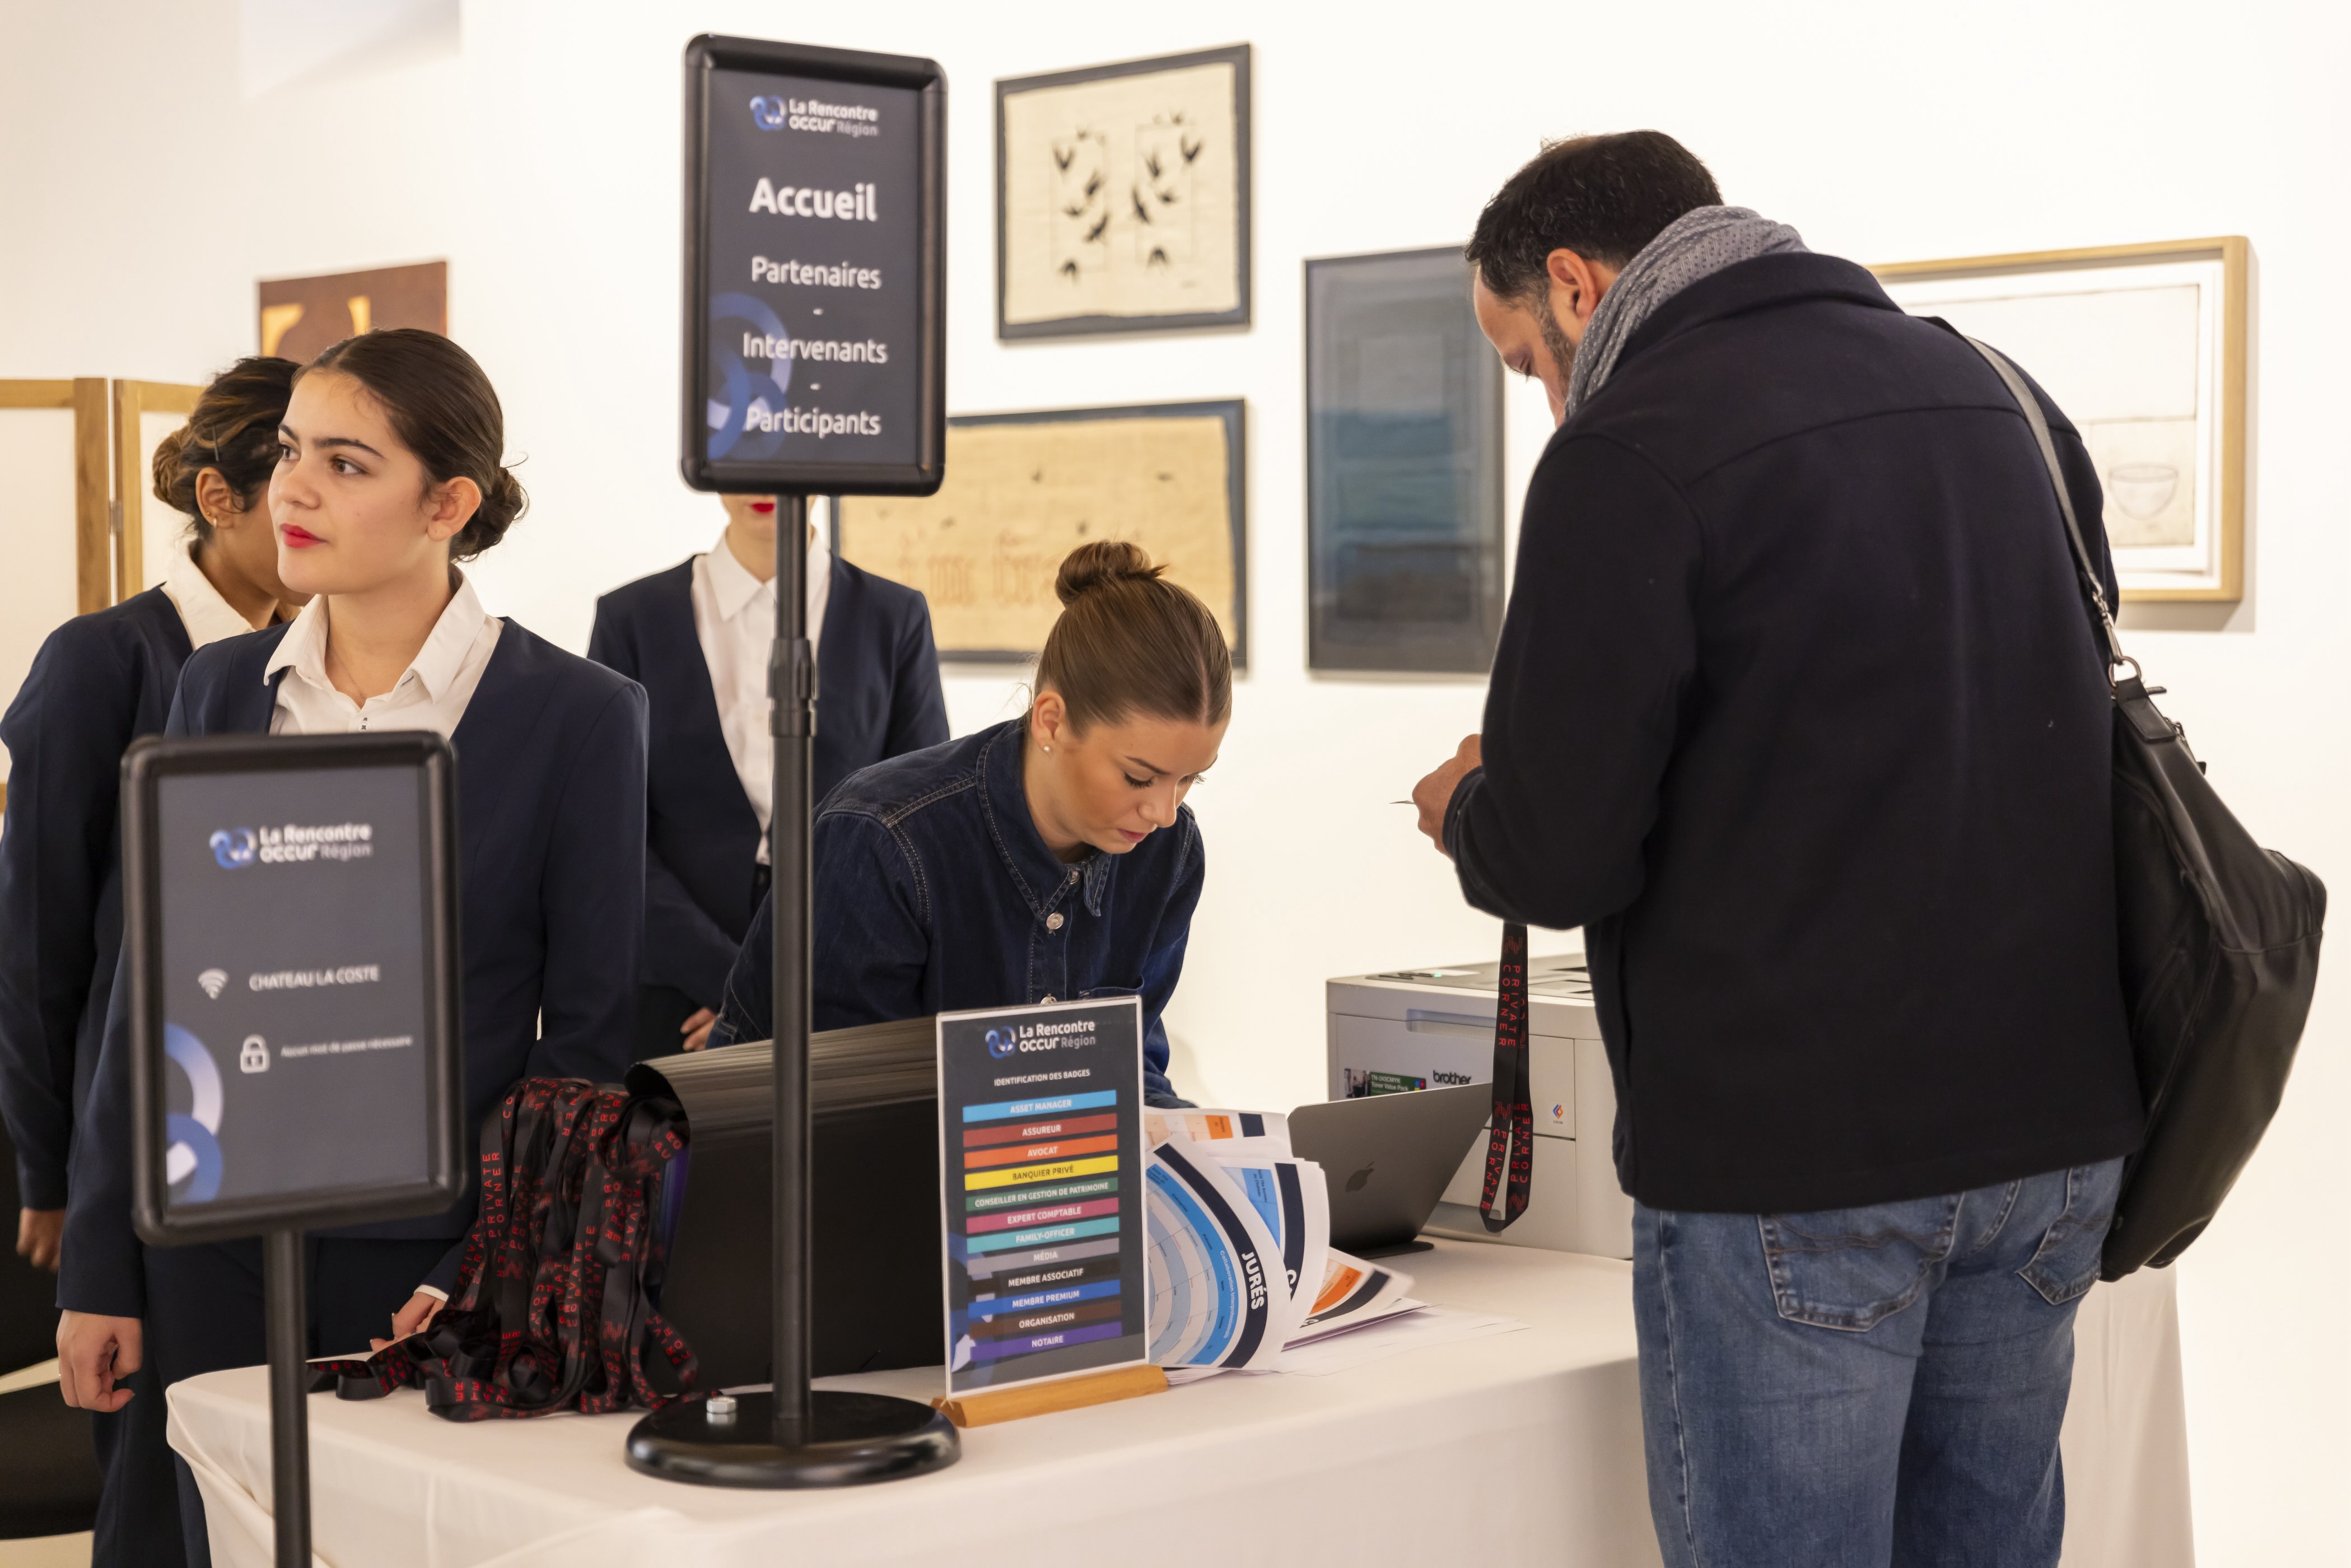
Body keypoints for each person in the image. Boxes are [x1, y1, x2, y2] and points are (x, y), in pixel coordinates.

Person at [1408, 132, 2141, 1568]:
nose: (1545, 397)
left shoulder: (1625, 447)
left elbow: (1555, 859)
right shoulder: (1998, 394)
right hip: (2051, 1143)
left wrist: (1467, 805)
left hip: (1800, 1157)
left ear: (1574, 283)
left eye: (1525, 360)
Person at [54, 329, 646, 1564]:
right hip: (207, 1247)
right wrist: (98, 1264)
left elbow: (587, 1043)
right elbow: (141, 995)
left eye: (345, 462)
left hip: (424, 1268)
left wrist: (484, 1261)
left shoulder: (581, 716)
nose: (295, 489)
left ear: (448, 504)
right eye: (288, 453)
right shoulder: (218, 689)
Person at [0, 356, 305, 1568]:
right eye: (294, 474)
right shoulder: (105, 659)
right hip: (140, 1136)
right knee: (162, 1498)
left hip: (289, 1129)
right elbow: (37, 944)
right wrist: (49, 1168)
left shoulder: (327, 659)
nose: (318, 506)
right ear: (219, 499)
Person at [711, 541, 1222, 1108]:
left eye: (1190, 779)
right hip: (808, 1146)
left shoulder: (1172, 852)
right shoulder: (884, 838)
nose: (1164, 812)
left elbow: (1128, 1068)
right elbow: (850, 1111)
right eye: (1138, 777)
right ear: (1052, 721)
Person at [587, 493, 946, 1057]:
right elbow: (608, 831)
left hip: (841, 985)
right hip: (673, 989)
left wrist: (786, 996)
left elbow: (922, 825)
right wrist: (740, 989)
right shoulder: (631, 617)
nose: (764, 479)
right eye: (745, 452)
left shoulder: (894, 616)